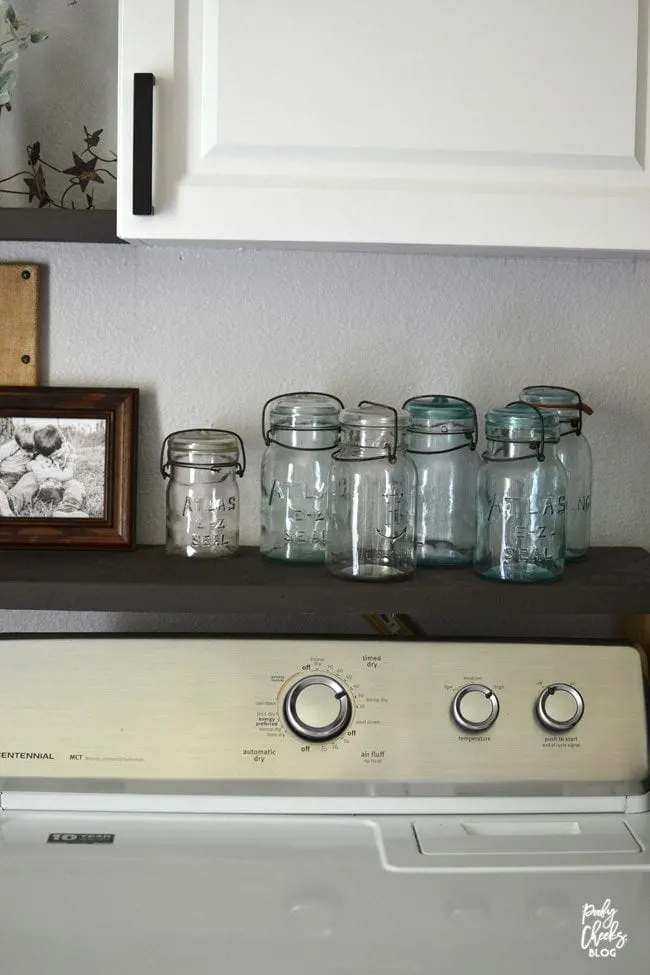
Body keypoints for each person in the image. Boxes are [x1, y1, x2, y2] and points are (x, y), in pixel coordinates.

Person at [8, 424, 88, 517]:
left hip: (60, 484)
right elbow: (28, 464)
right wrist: (34, 465)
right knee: (28, 478)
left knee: (75, 486)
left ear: (61, 444)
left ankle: (67, 511)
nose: (51, 457)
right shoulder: (41, 443)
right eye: (47, 455)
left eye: (54, 454)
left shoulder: (70, 452)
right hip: (39, 484)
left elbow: (69, 474)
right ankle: (12, 503)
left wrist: (50, 474)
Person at [0, 425, 35, 517]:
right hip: (7, 474)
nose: (31, 454)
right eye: (27, 451)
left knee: (32, 479)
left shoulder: (34, 444)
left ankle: (11, 501)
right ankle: (3, 495)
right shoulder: (10, 447)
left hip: (23, 475)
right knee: (5, 486)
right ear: (18, 444)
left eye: (33, 450)